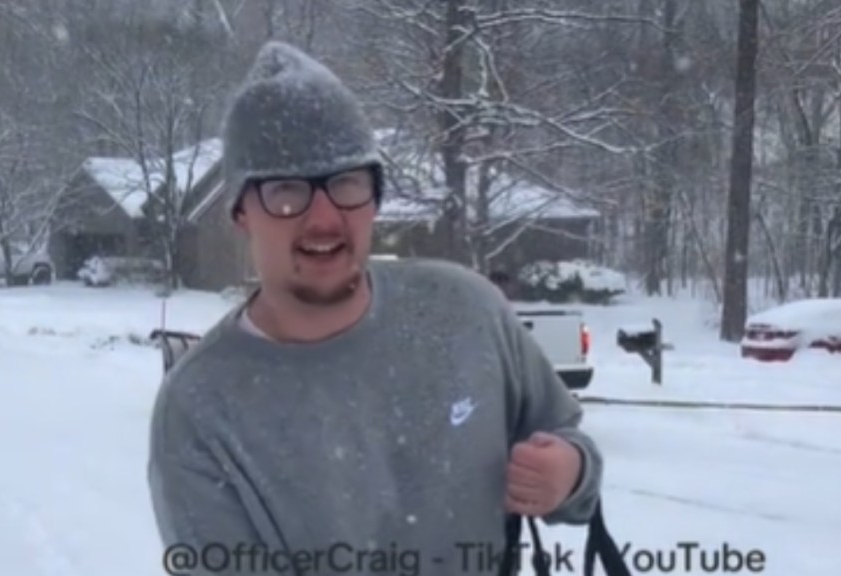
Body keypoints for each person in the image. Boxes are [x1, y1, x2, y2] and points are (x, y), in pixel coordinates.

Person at [147, 41, 603, 576]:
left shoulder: (464, 310)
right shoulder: (200, 410)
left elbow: (568, 443)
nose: (323, 219)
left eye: (345, 183)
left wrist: (568, 472)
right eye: (286, 191)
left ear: (375, 195)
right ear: (241, 212)